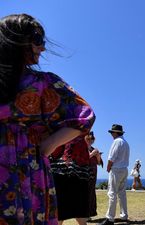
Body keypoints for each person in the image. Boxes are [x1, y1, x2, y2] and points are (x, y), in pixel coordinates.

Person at [0, 14, 95, 225]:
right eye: (38, 40)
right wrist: (49, 144)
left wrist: (50, 143)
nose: (42, 48)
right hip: (28, 165)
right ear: (16, 42)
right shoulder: (42, 83)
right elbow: (84, 116)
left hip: (27, 165)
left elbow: (84, 116)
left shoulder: (43, 84)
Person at [100, 124, 130, 225]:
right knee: (122, 193)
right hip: (124, 169)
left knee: (112, 193)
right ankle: (124, 215)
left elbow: (111, 158)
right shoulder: (125, 143)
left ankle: (110, 218)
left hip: (116, 170)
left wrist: (108, 168)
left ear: (116, 132)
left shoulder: (117, 142)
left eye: (112, 132)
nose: (111, 134)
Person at [86, 131, 103, 220]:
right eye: (89, 139)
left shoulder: (93, 149)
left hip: (93, 173)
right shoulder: (82, 149)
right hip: (84, 173)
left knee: (91, 193)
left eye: (92, 139)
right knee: (85, 193)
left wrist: (97, 155)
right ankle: (84, 215)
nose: (90, 140)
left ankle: (89, 213)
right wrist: (92, 154)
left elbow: (99, 163)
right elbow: (83, 159)